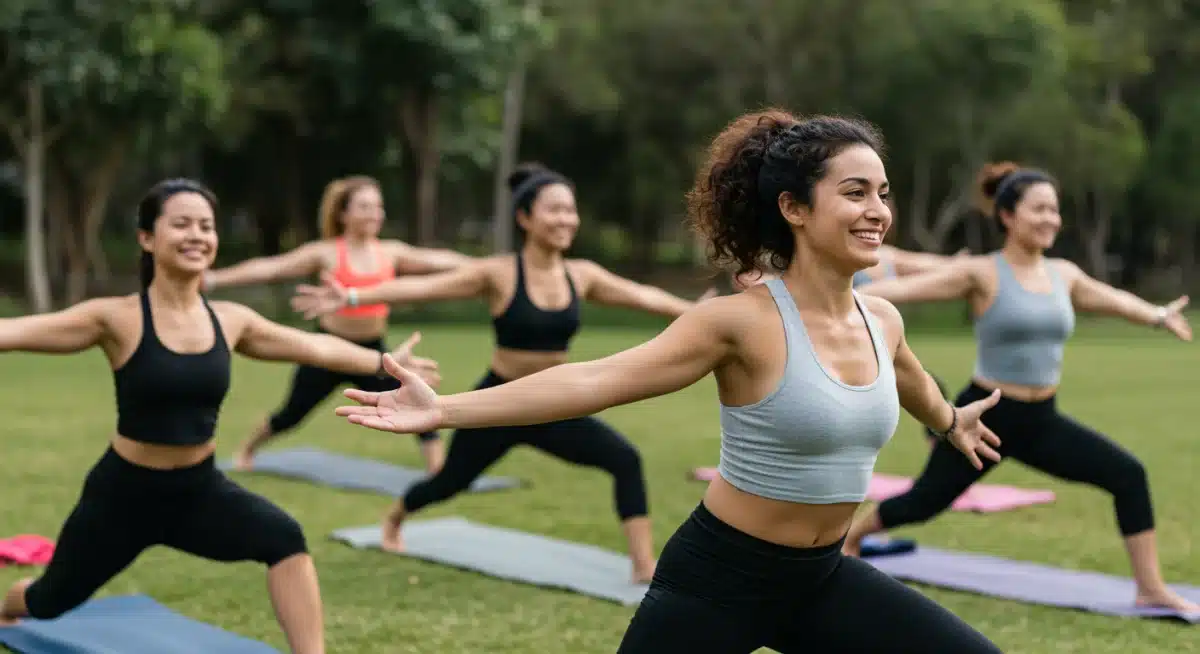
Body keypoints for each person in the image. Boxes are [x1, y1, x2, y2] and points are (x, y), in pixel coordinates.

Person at [325, 112, 1009, 652]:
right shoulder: (739, 323)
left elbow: (913, 381)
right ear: (794, 209)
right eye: (854, 193)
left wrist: (950, 422)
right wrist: (443, 409)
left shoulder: (881, 319)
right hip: (720, 580)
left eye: (882, 194)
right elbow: (598, 378)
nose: (877, 211)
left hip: (823, 577)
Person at [0, 179, 440, 654]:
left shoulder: (231, 320)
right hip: (123, 495)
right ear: (147, 238)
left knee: (284, 539)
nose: (197, 235)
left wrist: (383, 364)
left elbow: (314, 345)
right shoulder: (116, 318)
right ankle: (8, 605)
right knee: (48, 600)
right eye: (182, 224)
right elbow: (16, 330)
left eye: (206, 226)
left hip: (197, 490)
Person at [291, 162, 716, 584]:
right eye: (554, 209)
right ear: (525, 217)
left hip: (555, 402)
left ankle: (643, 567)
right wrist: (350, 294)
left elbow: (642, 296)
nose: (566, 219)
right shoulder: (498, 273)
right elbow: (422, 288)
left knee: (625, 459)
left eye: (570, 209)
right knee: (449, 483)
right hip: (498, 402)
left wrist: (694, 312)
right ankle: (394, 518)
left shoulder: (581, 275)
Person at [842, 161, 1199, 614]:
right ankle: (850, 538)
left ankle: (1150, 588)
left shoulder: (1063, 274)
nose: (1051, 218)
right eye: (1039, 209)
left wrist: (1156, 315)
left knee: (1128, 475)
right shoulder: (982, 273)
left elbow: (1110, 299)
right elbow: (904, 291)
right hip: (985, 416)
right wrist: (835, 296)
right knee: (924, 501)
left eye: (1055, 210)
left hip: (1041, 419)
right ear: (1008, 215)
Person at [203, 175, 470, 473]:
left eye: (378, 207)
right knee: (291, 415)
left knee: (413, 401)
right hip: (326, 352)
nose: (375, 214)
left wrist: (492, 268)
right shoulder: (326, 252)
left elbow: (438, 260)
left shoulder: (391, 251)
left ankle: (438, 470)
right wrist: (214, 279)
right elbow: (270, 268)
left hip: (374, 353)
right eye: (365, 207)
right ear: (344, 214)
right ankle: (246, 451)